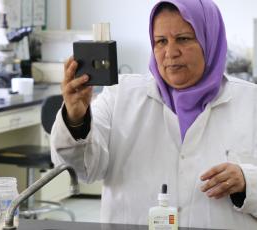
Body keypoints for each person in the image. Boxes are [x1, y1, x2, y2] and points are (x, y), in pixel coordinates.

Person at [50, 0, 257, 229]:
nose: (171, 52)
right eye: (160, 41)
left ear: (210, 40)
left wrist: (248, 181)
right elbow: (83, 168)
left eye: (183, 39)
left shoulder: (250, 103)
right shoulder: (120, 97)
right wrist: (76, 120)